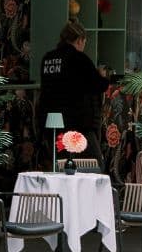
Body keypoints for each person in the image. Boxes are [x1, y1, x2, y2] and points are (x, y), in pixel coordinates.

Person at [37, 21, 109, 159]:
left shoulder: (48, 58)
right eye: (84, 42)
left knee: (60, 164)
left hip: (52, 125)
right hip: (76, 126)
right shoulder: (78, 58)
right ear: (79, 39)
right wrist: (102, 75)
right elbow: (100, 85)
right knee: (93, 164)